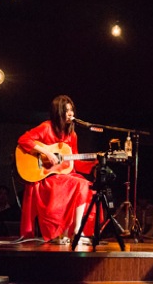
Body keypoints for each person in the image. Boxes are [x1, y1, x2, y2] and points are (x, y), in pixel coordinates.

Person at [17, 95, 96, 243]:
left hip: (64, 175)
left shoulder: (72, 135)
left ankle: (76, 231)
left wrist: (94, 163)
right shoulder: (46, 127)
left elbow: (75, 161)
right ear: (58, 112)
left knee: (88, 186)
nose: (70, 114)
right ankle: (70, 232)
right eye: (66, 111)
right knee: (78, 184)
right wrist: (46, 153)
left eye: (71, 110)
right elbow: (23, 140)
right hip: (46, 176)